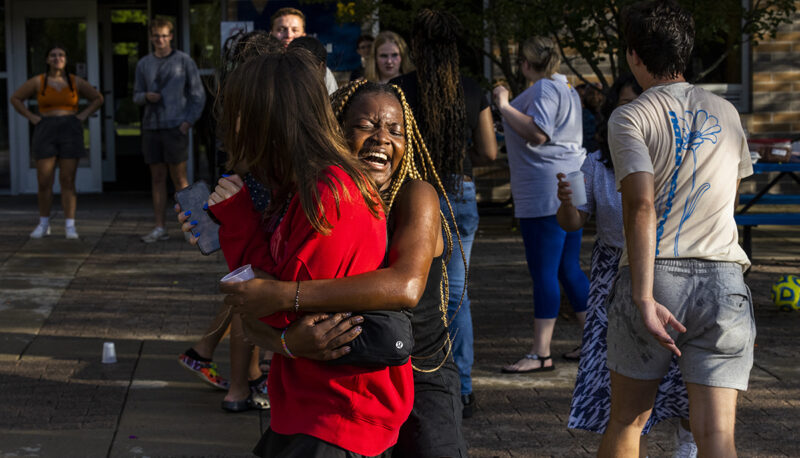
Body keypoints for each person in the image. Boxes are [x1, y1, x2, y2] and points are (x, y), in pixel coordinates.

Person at [222, 79, 468, 457]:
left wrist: (285, 296)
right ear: (337, 132)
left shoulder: (416, 195)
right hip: (359, 378)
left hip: (423, 376)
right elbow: (259, 311)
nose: (382, 138)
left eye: (395, 129)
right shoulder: (328, 201)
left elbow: (406, 287)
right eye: (366, 125)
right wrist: (286, 342)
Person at [209, 49, 413, 456]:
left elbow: (273, 306)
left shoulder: (331, 191)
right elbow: (264, 302)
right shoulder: (306, 186)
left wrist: (237, 222)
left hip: (337, 414)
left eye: (240, 113)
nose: (231, 127)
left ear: (270, 119)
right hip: (311, 406)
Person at [598, 2, 755, 457]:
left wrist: (644, 297)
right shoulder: (727, 112)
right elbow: (731, 201)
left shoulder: (629, 117)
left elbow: (640, 203)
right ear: (685, 51)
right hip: (724, 279)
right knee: (717, 437)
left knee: (628, 422)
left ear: (633, 55)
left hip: (657, 275)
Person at [558, 74, 698, 457]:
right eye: (624, 103)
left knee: (680, 367)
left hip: (669, 267)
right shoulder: (596, 164)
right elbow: (573, 222)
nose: (633, 111)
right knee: (624, 383)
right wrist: (567, 202)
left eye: (640, 103)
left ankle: (686, 442)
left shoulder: (677, 159)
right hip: (612, 275)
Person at [391, 9, 497, 418]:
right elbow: (489, 151)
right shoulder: (472, 91)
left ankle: (413, 377)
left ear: (416, 45)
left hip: (411, 194)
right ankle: (463, 389)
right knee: (456, 294)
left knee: (410, 288)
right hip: (459, 192)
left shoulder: (400, 90)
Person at [175, 31, 284, 413]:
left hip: (245, 193)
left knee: (246, 289)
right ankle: (239, 387)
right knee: (249, 292)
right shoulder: (258, 98)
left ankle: (242, 375)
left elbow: (234, 156)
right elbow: (245, 156)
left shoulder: (238, 95)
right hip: (255, 197)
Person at [493, 36, 589, 373]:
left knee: (545, 271)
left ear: (525, 63)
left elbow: (539, 134)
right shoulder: (568, 89)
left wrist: (504, 105)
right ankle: (598, 343)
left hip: (547, 189)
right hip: (569, 182)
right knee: (568, 268)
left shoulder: (546, 89)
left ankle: (540, 353)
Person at [10, 45, 103, 240]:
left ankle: (70, 225)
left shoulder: (74, 81)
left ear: (66, 59)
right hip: (46, 130)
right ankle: (44, 223)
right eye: (53, 55)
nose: (57, 58)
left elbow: (97, 98)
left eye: (61, 55)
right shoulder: (39, 81)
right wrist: (33, 118)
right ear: (47, 60)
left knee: (67, 180)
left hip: (70, 129)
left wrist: (82, 116)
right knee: (44, 181)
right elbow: (16, 98)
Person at [134, 18, 205, 243]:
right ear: (151, 37)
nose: (160, 40)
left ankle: (192, 228)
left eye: (164, 35)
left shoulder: (184, 61)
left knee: (180, 180)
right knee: (156, 179)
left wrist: (188, 122)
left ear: (171, 36)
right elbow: (135, 95)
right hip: (152, 127)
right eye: (156, 36)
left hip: (176, 127)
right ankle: (159, 227)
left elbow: (198, 95)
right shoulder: (143, 64)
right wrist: (145, 96)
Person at [269, 7, 338, 94]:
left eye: (295, 30)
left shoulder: (319, 69)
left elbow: (332, 104)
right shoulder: (262, 67)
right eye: (282, 30)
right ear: (271, 34)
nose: (289, 35)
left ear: (303, 35)